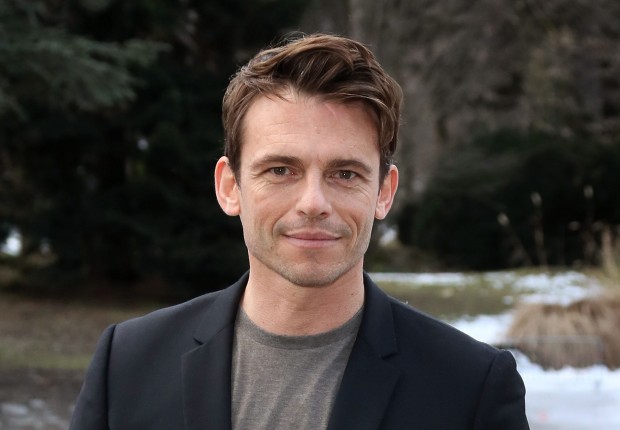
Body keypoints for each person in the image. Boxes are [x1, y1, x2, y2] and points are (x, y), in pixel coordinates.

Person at [69, 33, 529, 430]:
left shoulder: (471, 387)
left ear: (384, 192)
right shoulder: (127, 363)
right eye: (281, 170)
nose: (313, 202)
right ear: (230, 187)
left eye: (345, 173)